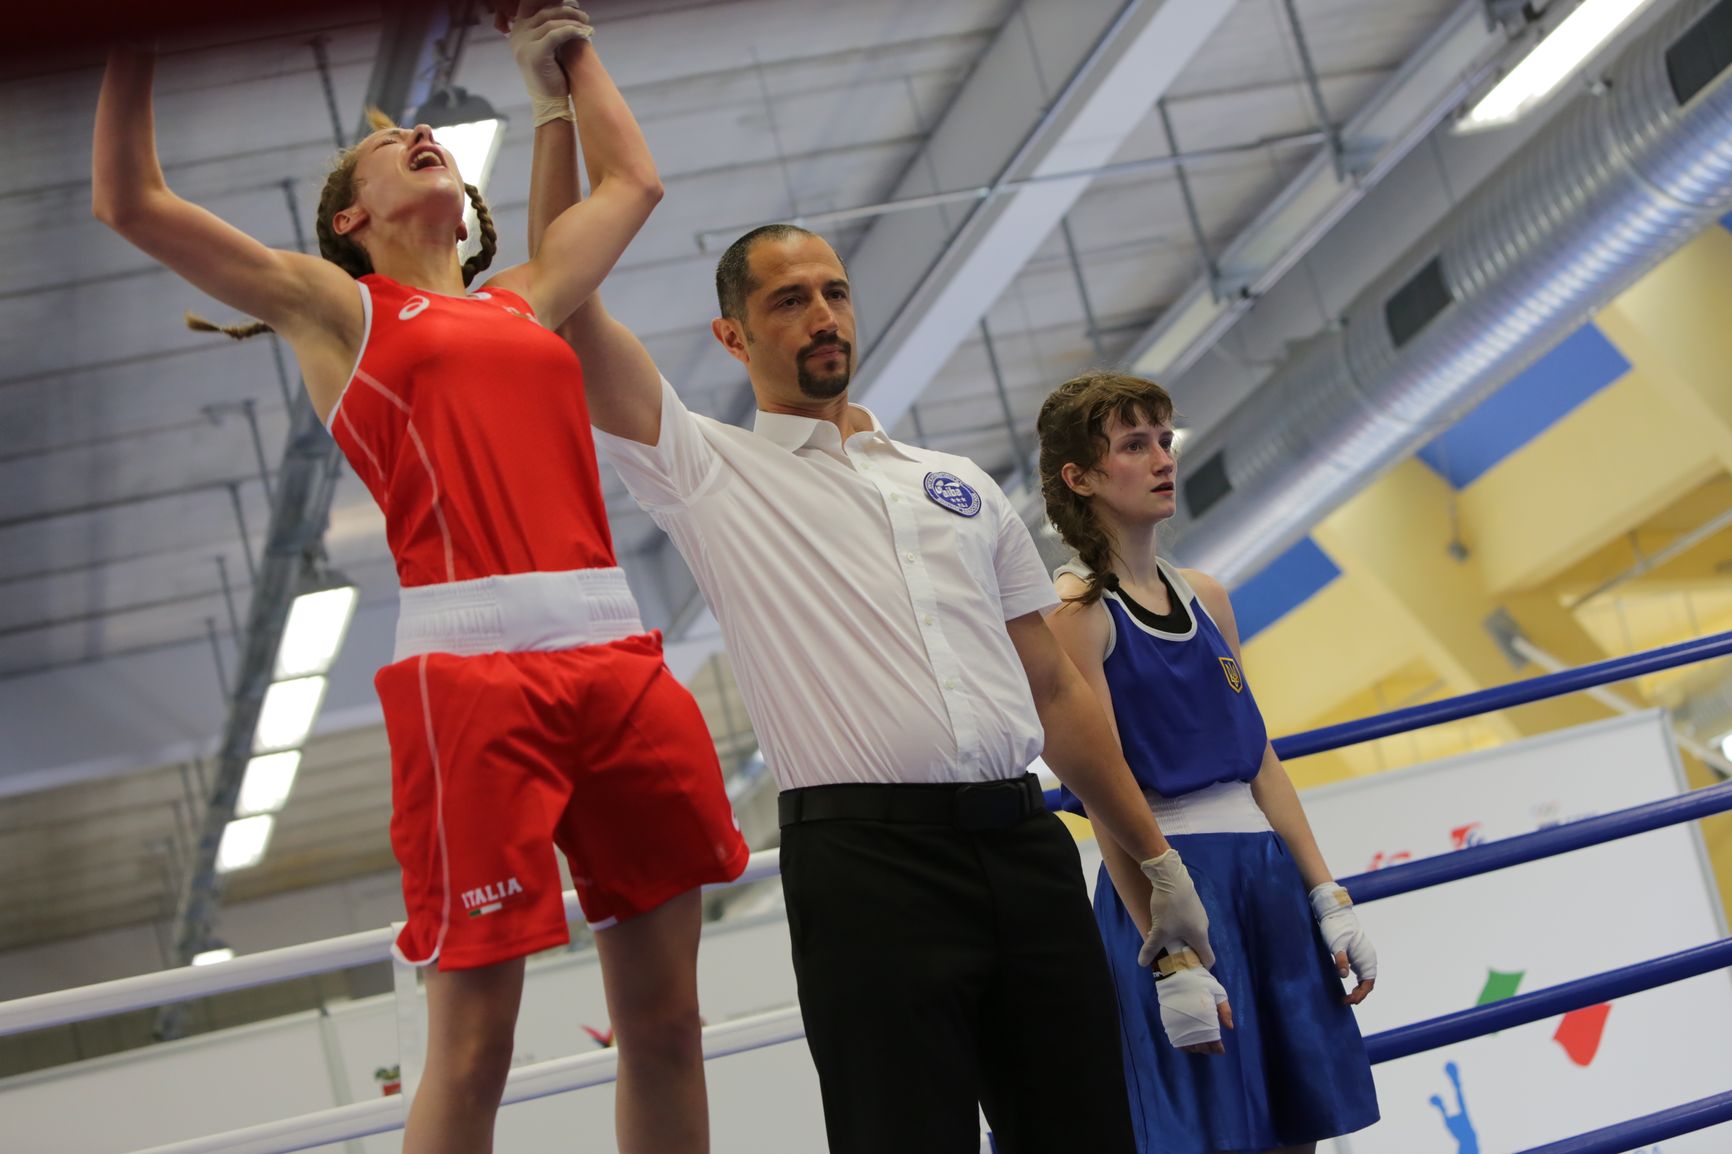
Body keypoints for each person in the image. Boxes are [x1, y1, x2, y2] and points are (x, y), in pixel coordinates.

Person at [92, 8, 747, 1153]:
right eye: (395, 146)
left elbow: (633, 181)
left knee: (669, 1022)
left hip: (617, 658)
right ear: (353, 216)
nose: (426, 137)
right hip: (473, 682)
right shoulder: (335, 308)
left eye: (432, 136)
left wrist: (566, 58)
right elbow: (131, 202)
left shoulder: (524, 298)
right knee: (474, 1048)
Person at [522, 93, 1222, 1143]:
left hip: (1022, 840)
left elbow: (1057, 690)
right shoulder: (710, 467)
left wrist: (1155, 859)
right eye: (790, 299)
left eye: (835, 292)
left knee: (1088, 1131)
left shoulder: (956, 484)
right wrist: (558, 102)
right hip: (865, 866)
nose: (823, 315)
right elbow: (565, 305)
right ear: (732, 333)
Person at [1035, 370, 1380, 1154]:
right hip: (1173, 885)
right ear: (1080, 477)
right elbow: (1102, 791)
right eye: (1133, 445)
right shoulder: (1078, 618)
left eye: (1164, 439)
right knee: (1210, 1136)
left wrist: (1326, 890)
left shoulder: (1209, 597)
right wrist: (1170, 951)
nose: (1162, 459)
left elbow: (1260, 758)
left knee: (1301, 1127)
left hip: (1265, 873)